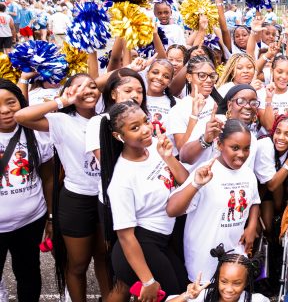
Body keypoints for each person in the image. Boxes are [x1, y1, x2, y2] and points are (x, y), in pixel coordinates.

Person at [15, 74, 111, 302]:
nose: (87, 90)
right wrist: (62, 102)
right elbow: (21, 116)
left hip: (106, 200)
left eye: (92, 86)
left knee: (104, 258)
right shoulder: (60, 120)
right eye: (78, 87)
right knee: (77, 264)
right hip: (76, 201)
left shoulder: (108, 118)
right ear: (68, 92)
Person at [99, 101, 189, 299]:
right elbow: (125, 236)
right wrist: (148, 281)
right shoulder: (122, 179)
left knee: (184, 289)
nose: (146, 129)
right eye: (135, 127)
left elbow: (185, 182)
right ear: (118, 136)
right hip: (141, 245)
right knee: (176, 296)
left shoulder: (155, 150)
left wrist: (168, 157)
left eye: (145, 121)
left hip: (163, 240)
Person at [167, 119, 260, 282]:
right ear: (219, 145)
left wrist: (251, 226)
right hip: (204, 257)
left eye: (246, 148)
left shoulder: (248, 174)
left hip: (234, 254)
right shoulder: (206, 171)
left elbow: (254, 201)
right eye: (235, 148)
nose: (241, 154)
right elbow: (172, 210)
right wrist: (196, 184)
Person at [0, 80, 54, 302]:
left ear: (21, 103)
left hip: (31, 221)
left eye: (10, 102)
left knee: (29, 273)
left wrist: (50, 217)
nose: (4, 110)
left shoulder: (37, 133)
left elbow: (49, 178)